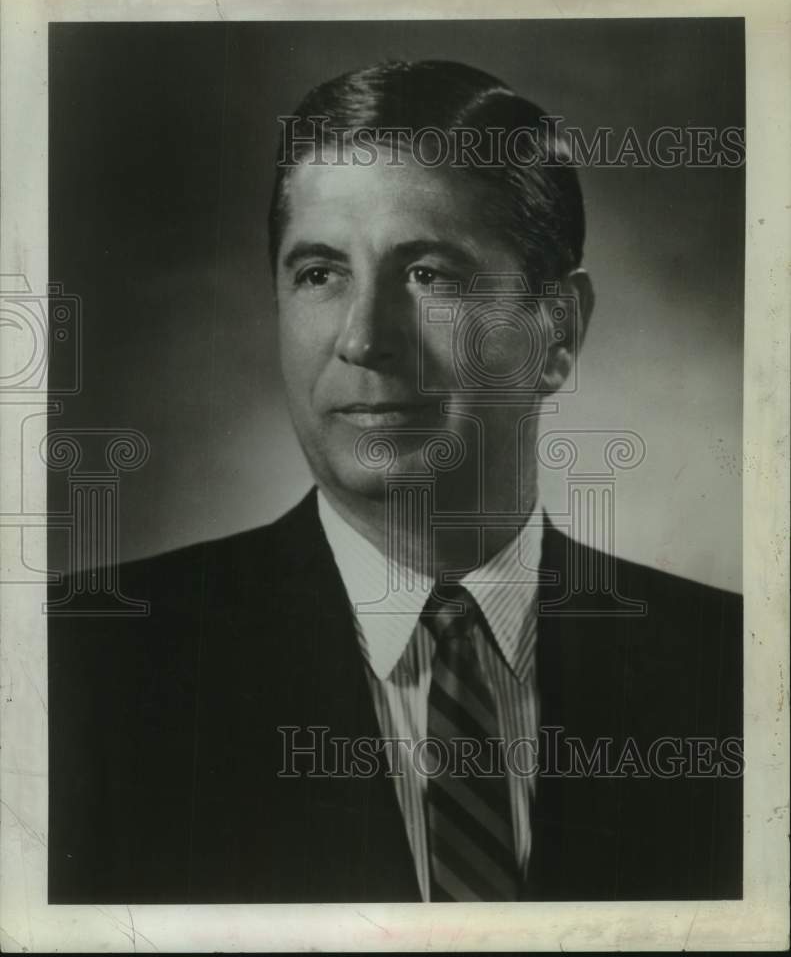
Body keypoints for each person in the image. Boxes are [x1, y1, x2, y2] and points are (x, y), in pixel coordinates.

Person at [48, 60, 742, 904]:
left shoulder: (732, 672)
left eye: (428, 274)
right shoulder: (78, 671)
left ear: (556, 331)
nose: (364, 338)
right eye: (319, 273)